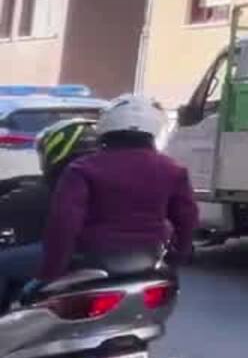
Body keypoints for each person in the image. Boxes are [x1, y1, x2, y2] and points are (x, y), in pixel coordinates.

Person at [28, 95, 198, 302]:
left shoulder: (83, 168)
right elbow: (187, 220)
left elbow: (64, 224)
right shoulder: (173, 170)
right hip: (148, 259)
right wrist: (176, 258)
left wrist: (49, 274)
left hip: (91, 257)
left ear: (107, 126)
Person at [0, 118, 97, 310]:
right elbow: (26, 184)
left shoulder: (59, 185)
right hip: (108, 250)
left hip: (73, 251)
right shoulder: (93, 172)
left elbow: (25, 199)